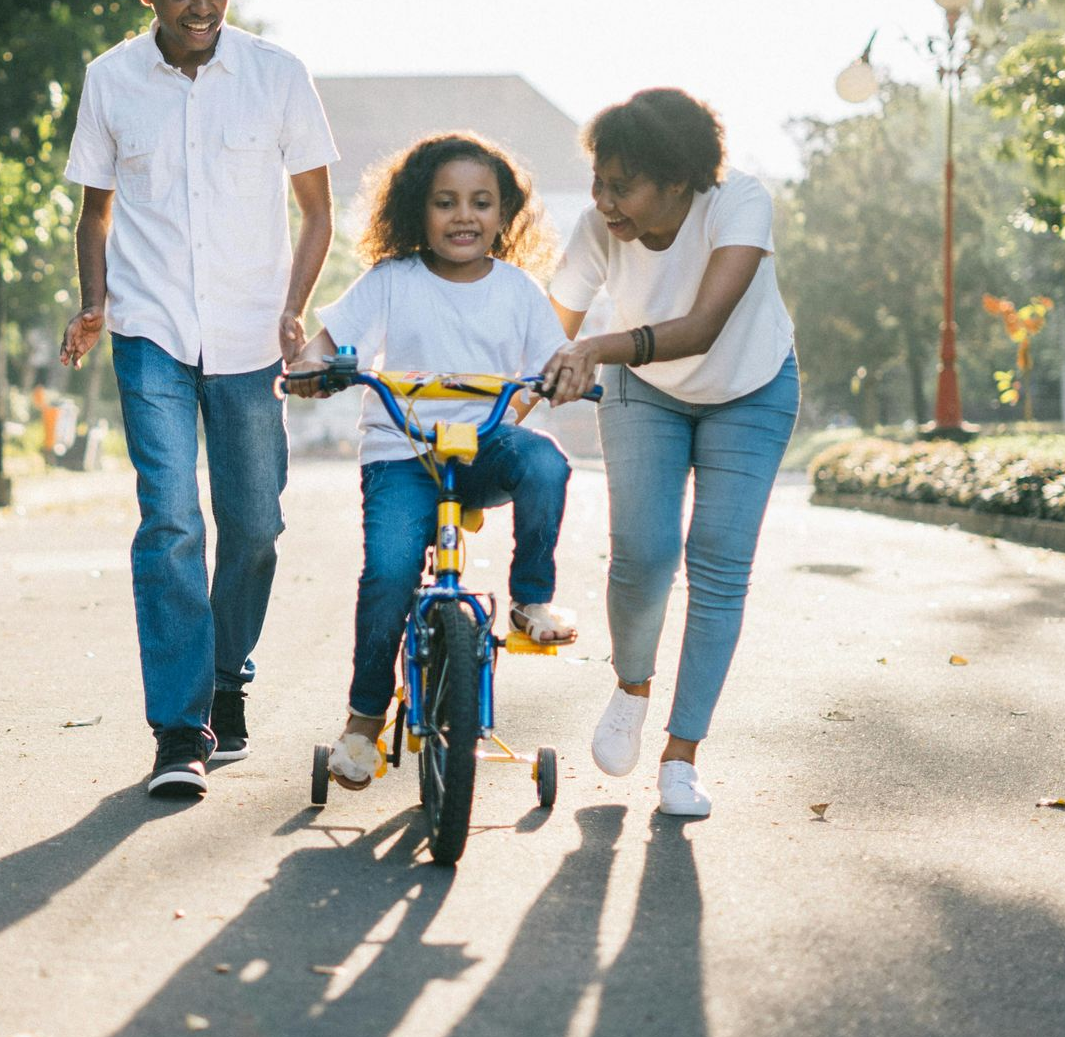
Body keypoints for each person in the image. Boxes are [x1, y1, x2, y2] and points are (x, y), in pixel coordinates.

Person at [59, 0, 338, 798]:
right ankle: (180, 730)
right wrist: (95, 303)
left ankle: (227, 679)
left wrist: (295, 310)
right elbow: (95, 210)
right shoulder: (110, 80)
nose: (203, 6)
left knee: (254, 527)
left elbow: (317, 210)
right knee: (172, 521)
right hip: (149, 334)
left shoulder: (277, 75)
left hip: (252, 335)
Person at [288, 133, 576, 789]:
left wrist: (562, 377)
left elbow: (552, 361)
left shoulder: (519, 291)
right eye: (445, 202)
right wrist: (311, 366)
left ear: (505, 216)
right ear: (419, 210)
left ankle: (531, 600)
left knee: (546, 464)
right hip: (401, 455)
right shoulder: (391, 281)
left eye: (481, 202)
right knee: (389, 574)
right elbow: (326, 343)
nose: (463, 216)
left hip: (481, 449)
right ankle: (363, 723)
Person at [543, 88, 798, 818]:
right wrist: (502, 405)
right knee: (644, 552)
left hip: (749, 387)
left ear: (678, 182)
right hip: (645, 392)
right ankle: (630, 687)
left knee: (717, 562)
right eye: (598, 180)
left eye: (621, 185)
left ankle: (681, 757)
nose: (603, 201)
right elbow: (543, 331)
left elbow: (704, 325)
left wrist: (593, 346)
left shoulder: (737, 204)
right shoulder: (598, 229)